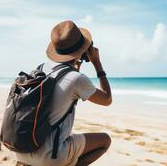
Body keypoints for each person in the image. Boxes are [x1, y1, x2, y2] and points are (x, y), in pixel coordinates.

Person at [15, 20, 112, 166]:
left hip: (22, 149)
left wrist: (74, 70)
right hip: (50, 156)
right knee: (105, 140)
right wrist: (97, 63)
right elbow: (107, 99)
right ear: (82, 49)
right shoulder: (77, 79)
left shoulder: (40, 70)